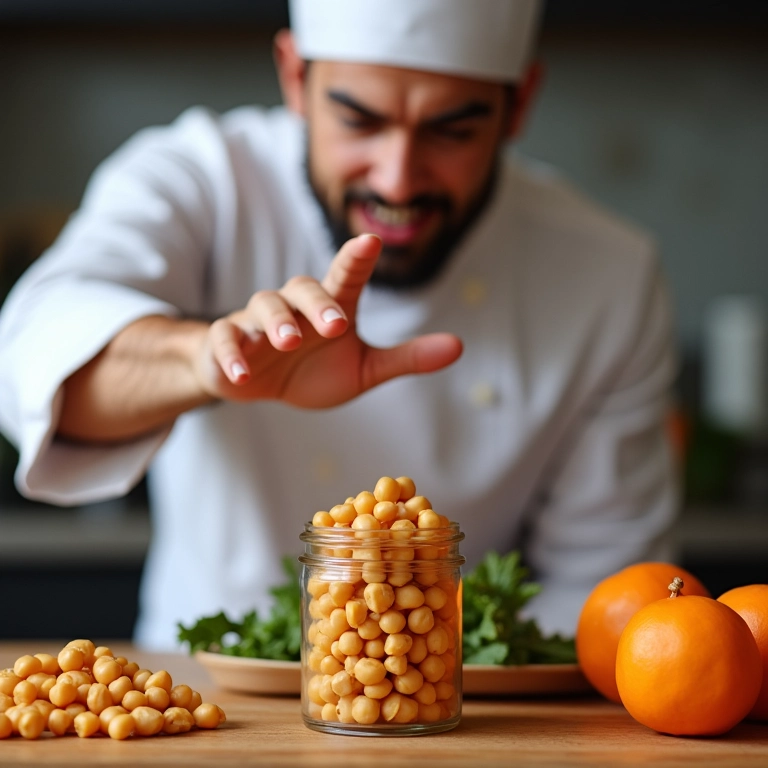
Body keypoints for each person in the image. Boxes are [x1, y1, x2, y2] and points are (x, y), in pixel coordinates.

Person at [0, 0, 679, 650]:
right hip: (203, 701)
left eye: (453, 129)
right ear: (295, 76)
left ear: (519, 104)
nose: (398, 180)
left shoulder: (607, 274)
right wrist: (209, 361)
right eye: (359, 120)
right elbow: (35, 357)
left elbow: (603, 595)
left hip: (442, 699)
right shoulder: (204, 178)